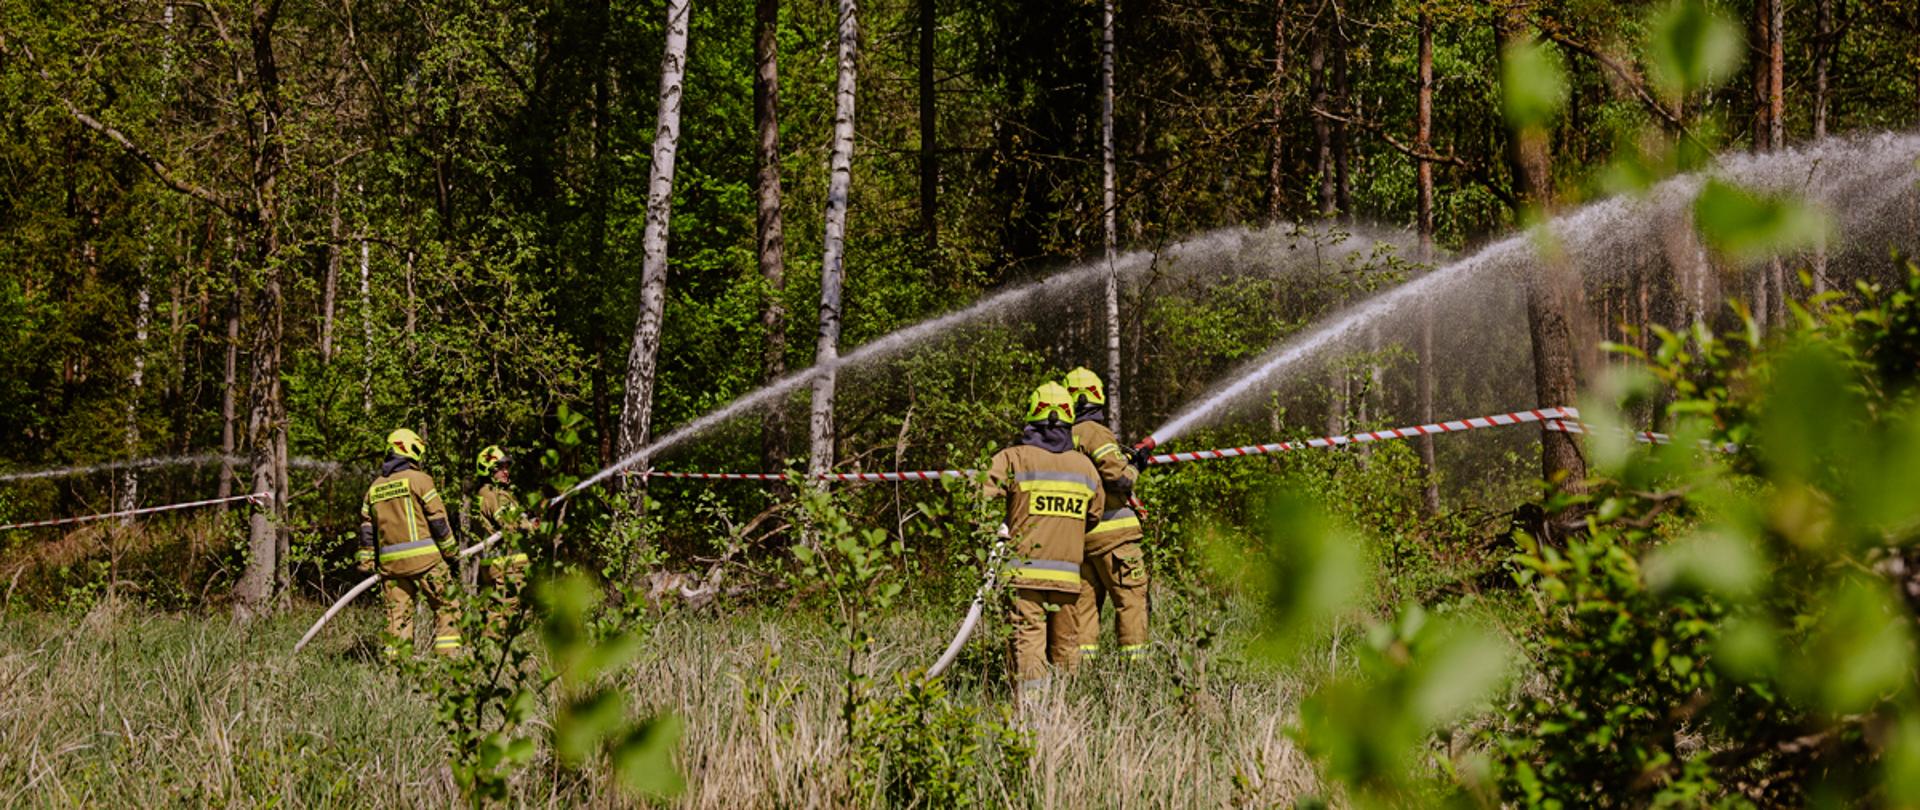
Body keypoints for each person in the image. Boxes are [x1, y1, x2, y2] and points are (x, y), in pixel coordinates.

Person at [984, 382, 1105, 696]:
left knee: (1027, 644)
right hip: (1068, 580)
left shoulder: (1013, 458)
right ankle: (1066, 707)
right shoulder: (1085, 468)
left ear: (1031, 417)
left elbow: (978, 499)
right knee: (1067, 647)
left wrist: (996, 528)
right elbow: (1094, 516)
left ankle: (1032, 709)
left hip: (1024, 577)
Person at [1063, 367, 1152, 660]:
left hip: (1081, 539)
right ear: (1096, 396)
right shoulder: (1095, 432)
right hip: (1115, 540)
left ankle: (1080, 672)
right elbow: (1119, 479)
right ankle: (1136, 668)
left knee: (1084, 609)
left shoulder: (1063, 438)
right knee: (1131, 601)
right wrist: (1135, 466)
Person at [357, 428, 462, 657]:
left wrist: (366, 563)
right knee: (447, 606)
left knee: (398, 618)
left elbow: (366, 530)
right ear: (411, 450)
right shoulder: (420, 480)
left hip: (391, 569)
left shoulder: (374, 488)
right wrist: (451, 551)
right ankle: (450, 662)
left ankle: (396, 668)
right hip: (427, 562)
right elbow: (438, 520)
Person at [473, 445, 535, 605]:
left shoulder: (482, 493)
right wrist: (533, 525)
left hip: (492, 563)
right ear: (488, 470)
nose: (506, 472)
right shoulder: (494, 495)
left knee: (494, 611)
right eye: (500, 468)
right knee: (507, 611)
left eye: (507, 467)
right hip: (506, 565)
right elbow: (510, 524)